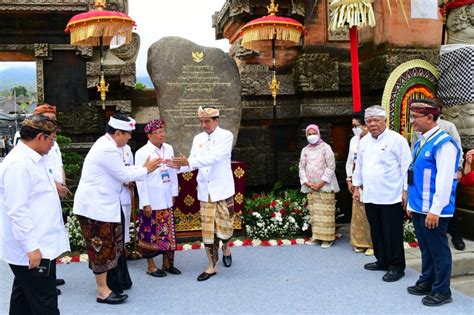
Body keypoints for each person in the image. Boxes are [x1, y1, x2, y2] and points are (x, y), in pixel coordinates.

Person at [73, 114, 161, 304]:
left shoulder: (109, 146)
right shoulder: (106, 149)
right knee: (100, 246)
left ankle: (109, 285)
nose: (130, 137)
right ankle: (102, 291)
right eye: (128, 134)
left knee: (108, 245)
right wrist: (147, 168)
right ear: (118, 133)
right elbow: (122, 174)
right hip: (94, 207)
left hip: (103, 204)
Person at [0, 115, 70, 314]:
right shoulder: (18, 164)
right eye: (52, 139)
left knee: (23, 298)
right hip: (33, 247)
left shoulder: (35, 159)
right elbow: (17, 210)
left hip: (40, 243)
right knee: (45, 303)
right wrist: (31, 248)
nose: (53, 145)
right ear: (40, 137)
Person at [406, 99, 460, 307]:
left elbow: (445, 180)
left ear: (430, 117)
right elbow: (416, 175)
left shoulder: (444, 143)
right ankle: (427, 280)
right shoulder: (421, 141)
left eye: (415, 117)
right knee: (426, 249)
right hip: (420, 206)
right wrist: (412, 204)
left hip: (434, 209)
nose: (412, 122)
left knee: (438, 250)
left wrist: (435, 209)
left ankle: (442, 290)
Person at [172, 106, 235, 282]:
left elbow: (215, 158)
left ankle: (226, 247)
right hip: (205, 191)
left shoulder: (226, 136)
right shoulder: (198, 138)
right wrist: (177, 165)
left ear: (216, 120)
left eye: (207, 121)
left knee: (225, 227)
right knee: (208, 230)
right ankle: (211, 266)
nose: (204, 125)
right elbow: (192, 162)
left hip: (222, 190)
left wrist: (189, 161)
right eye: (201, 122)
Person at [352, 105, 412, 282]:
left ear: (384, 120)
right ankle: (382, 260)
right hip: (370, 195)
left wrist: (405, 190)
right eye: (369, 121)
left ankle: (396, 266)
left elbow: (407, 167)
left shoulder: (397, 140)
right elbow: (359, 167)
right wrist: (356, 187)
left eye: (376, 120)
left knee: (392, 232)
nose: (372, 124)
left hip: (391, 195)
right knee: (376, 231)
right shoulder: (363, 142)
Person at [135, 119, 181, 277]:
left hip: (167, 195)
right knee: (150, 232)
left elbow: (173, 170)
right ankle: (151, 266)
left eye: (163, 131)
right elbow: (140, 179)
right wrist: (145, 203)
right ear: (149, 135)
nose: (163, 134)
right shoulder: (142, 152)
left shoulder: (169, 148)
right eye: (159, 132)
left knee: (167, 231)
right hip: (152, 199)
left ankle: (167, 263)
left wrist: (174, 192)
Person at [33, 103, 69, 292]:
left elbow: (59, 164)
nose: (52, 122)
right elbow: (40, 172)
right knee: (44, 238)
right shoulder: (33, 141)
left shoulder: (52, 141)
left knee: (53, 235)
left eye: (54, 119)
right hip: (46, 195)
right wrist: (59, 189)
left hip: (56, 192)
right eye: (48, 119)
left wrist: (63, 185)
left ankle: (51, 276)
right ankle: (44, 280)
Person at [299, 124, 339, 248]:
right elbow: (301, 167)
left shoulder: (325, 147)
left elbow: (331, 166)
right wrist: (307, 182)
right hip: (311, 186)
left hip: (325, 185)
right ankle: (316, 236)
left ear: (318, 133)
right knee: (314, 212)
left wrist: (321, 182)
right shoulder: (305, 150)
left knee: (326, 212)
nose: (312, 136)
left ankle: (327, 239)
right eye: (309, 134)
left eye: (314, 133)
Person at [346, 112, 373, 256]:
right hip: (357, 182)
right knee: (358, 214)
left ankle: (372, 244)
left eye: (357, 126)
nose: (355, 129)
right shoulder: (353, 141)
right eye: (353, 126)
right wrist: (349, 179)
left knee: (370, 213)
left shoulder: (372, 140)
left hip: (371, 182)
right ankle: (359, 242)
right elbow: (350, 161)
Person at [119, 144, 134, 253]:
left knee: (127, 218)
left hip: (127, 190)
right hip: (117, 190)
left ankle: (124, 246)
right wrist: (125, 180)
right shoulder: (111, 148)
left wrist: (132, 180)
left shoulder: (127, 148)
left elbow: (132, 167)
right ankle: (118, 248)